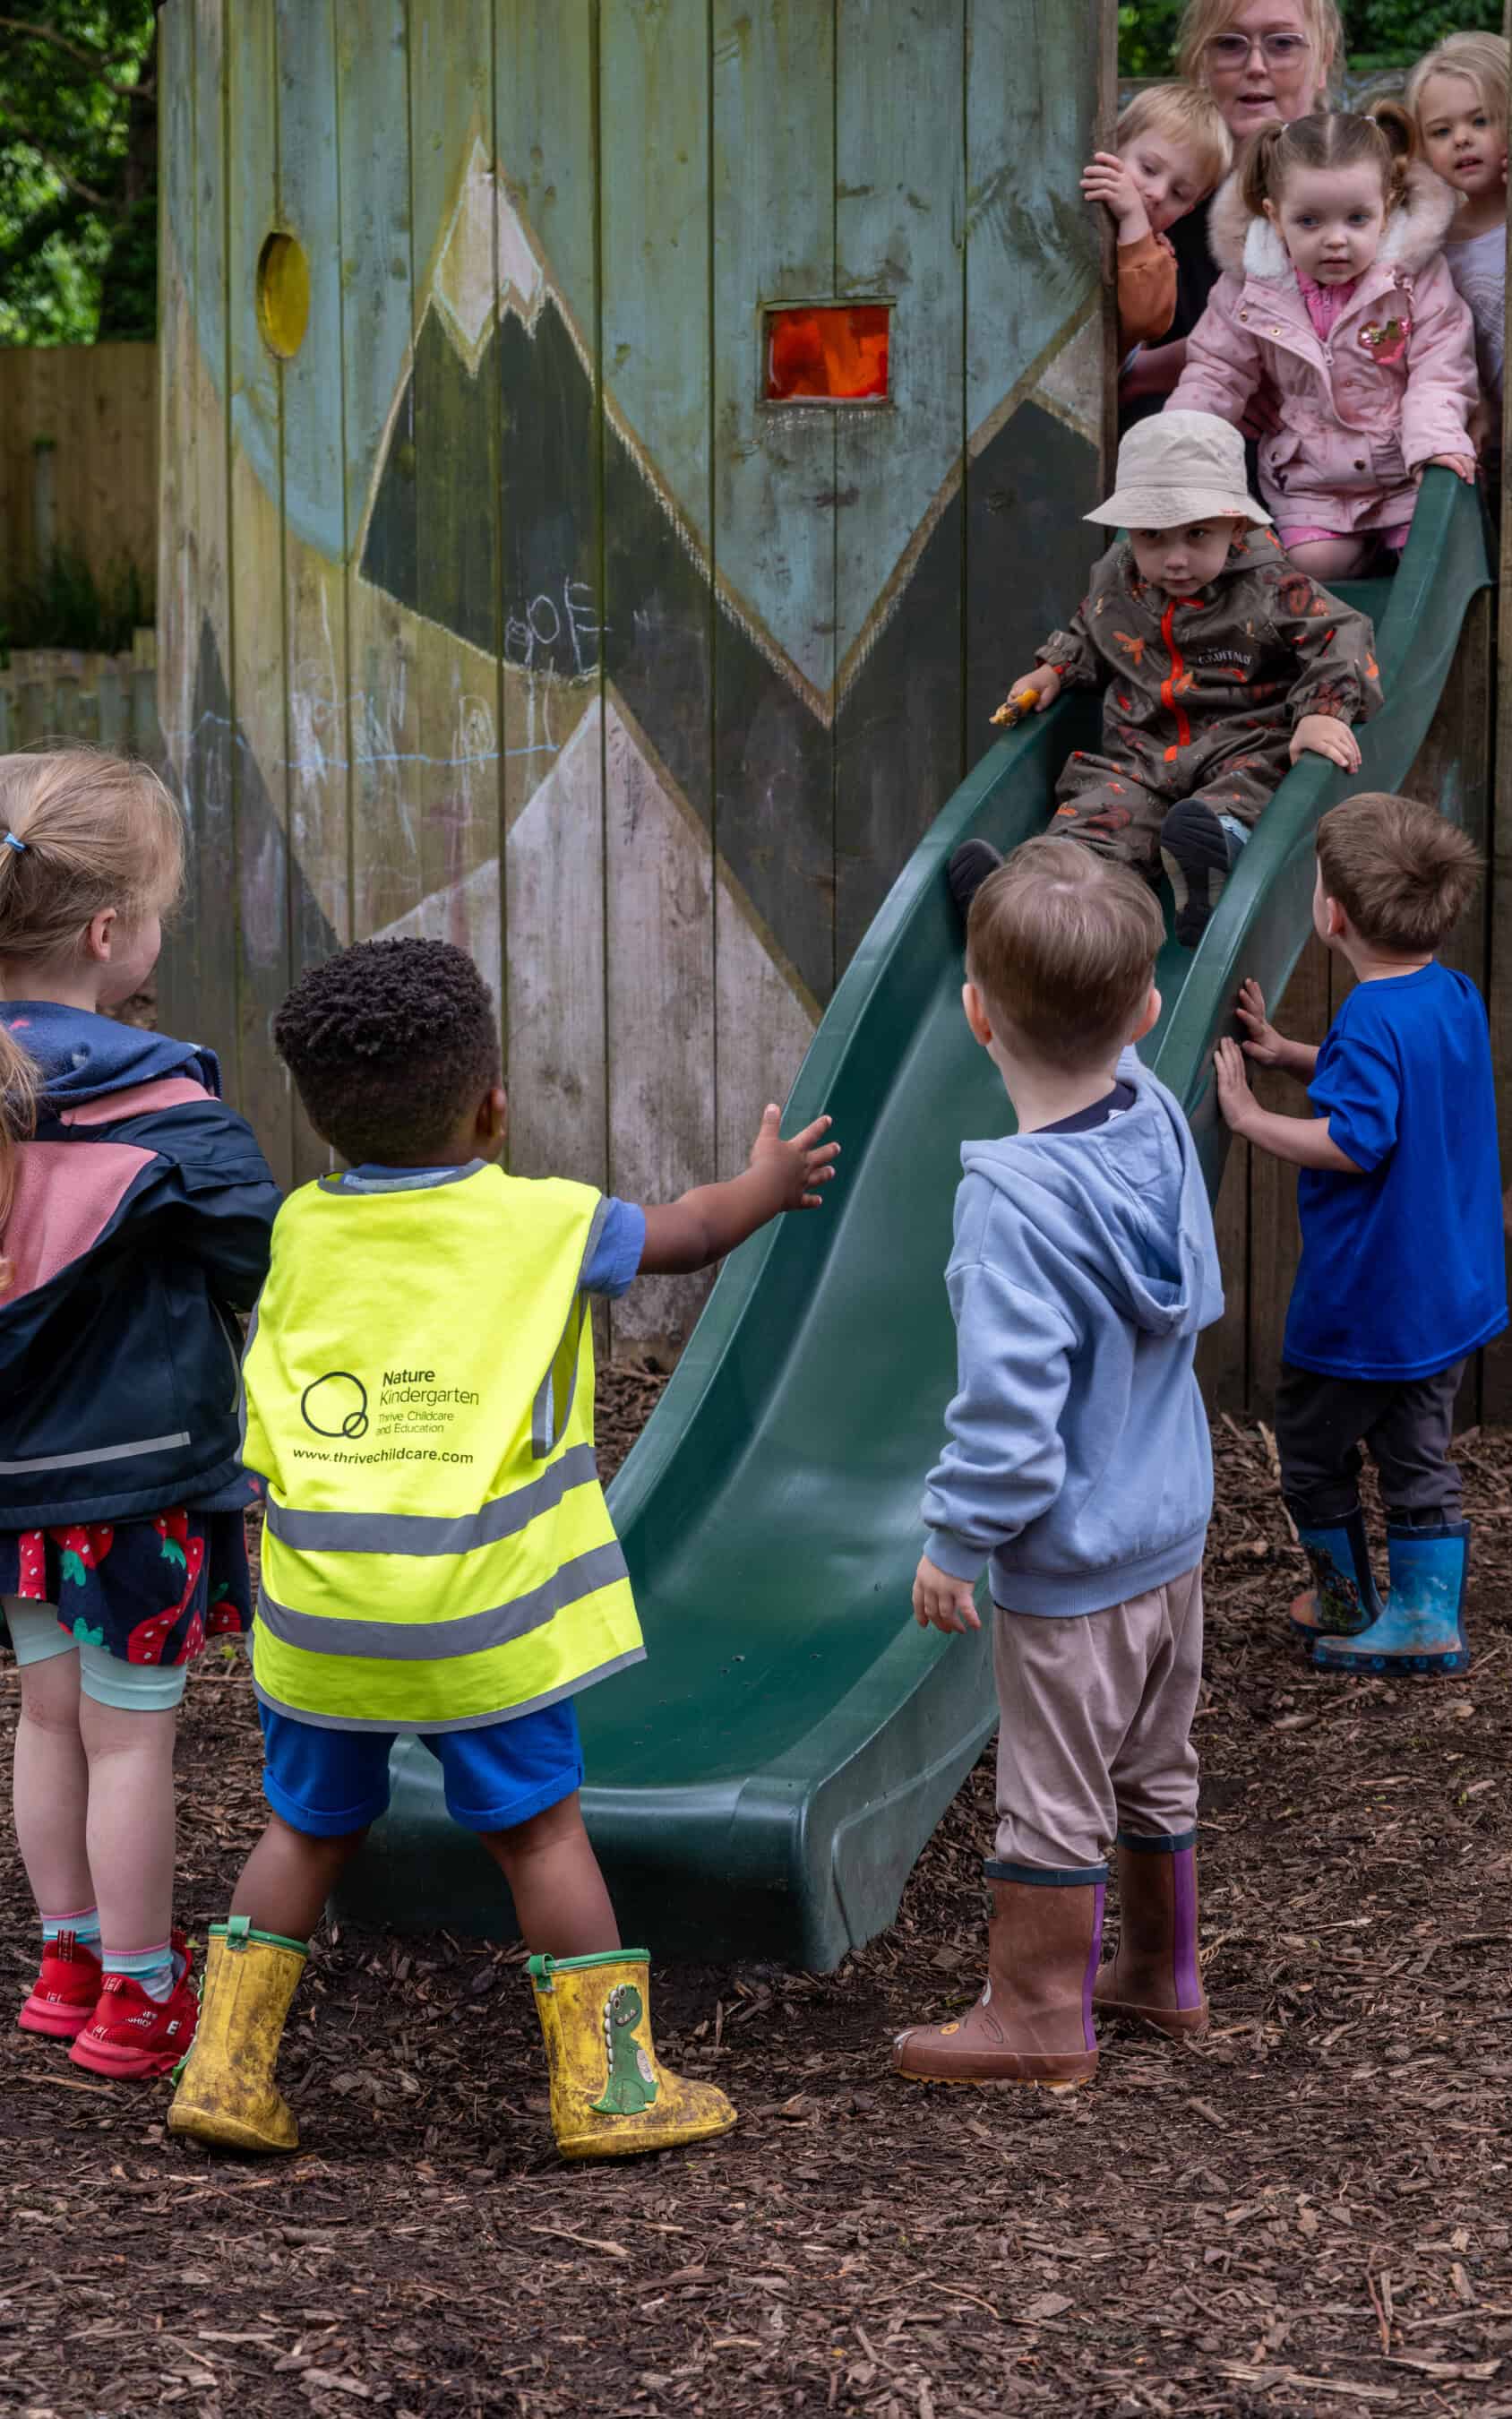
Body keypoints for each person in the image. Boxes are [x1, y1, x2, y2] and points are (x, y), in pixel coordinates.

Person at [168, 936, 838, 2163]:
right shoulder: (544, 1220)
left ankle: (224, 2067)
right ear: (493, 1107)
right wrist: (769, 1180)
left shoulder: (303, 1231)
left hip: (321, 1613)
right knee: (539, 1835)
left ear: (325, 1127)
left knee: (305, 1830)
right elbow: (687, 1235)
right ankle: (609, 2089)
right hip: (485, 1621)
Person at [893, 840, 1222, 2089]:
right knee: (1155, 1757)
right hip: (1170, 1532)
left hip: (1073, 1558)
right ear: (1144, 1016)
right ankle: (1161, 1972)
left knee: (1052, 1789)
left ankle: (1039, 2012)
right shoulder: (1159, 1122)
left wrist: (957, 1539)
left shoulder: (1014, 1203)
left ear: (975, 1016)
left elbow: (1008, 1409)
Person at [0, 748, 277, 2079]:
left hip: (12, 1493)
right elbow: (263, 1269)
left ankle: (63, 1963)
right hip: (136, 1489)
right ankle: (141, 1993)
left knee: (44, 1720)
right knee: (130, 1742)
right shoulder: (168, 1106)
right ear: (110, 934)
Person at [1213, 792, 1506, 1677]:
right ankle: (1422, 1614)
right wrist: (1290, 1051)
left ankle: (1348, 1599)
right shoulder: (1446, 995)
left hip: (1366, 1305)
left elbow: (1354, 1137)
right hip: (1444, 1294)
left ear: (1331, 912)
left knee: (1310, 1446)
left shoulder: (1376, 1017)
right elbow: (1390, 1081)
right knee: (1417, 1453)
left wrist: (1248, 1114)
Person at [951, 409, 1382, 949]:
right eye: (1153, 535)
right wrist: (1054, 668)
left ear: (1236, 525)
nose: (1175, 559)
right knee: (1095, 819)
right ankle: (1021, 902)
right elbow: (1092, 626)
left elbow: (1343, 633)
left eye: (1197, 533)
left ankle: (1211, 861)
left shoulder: (1271, 586)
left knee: (1240, 794)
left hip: (1242, 743)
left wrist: (1323, 709)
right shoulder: (1118, 577)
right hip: (1141, 753)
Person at [1167, 106, 1479, 580]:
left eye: (1356, 218)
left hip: (1405, 469)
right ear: (1274, 216)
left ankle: (1395, 552)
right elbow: (1215, 372)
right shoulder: (1252, 288)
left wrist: (1434, 443)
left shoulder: (1412, 279)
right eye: (1310, 222)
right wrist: (1181, 442)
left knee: (1433, 556)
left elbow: (1442, 363)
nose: (1336, 240)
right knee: (1312, 569)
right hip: (1313, 481)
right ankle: (1359, 563)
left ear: (1387, 208)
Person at [1121, 0, 1344, 435]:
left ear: (1323, 60)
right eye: (1229, 43)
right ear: (1200, 62)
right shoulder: (1151, 197)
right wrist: (1213, 384)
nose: (1256, 66)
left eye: (1282, 44)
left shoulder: (1363, 194)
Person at [1407, 31, 1508, 487]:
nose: (1462, 140)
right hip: (1496, 446)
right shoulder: (1434, 246)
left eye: (1481, 121)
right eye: (1442, 131)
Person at [1081, 85, 1233, 351]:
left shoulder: (1159, 260)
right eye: (1149, 169)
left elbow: (1143, 322)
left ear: (1187, 210)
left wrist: (1133, 221)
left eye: (1179, 193)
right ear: (1114, 145)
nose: (1158, 194)